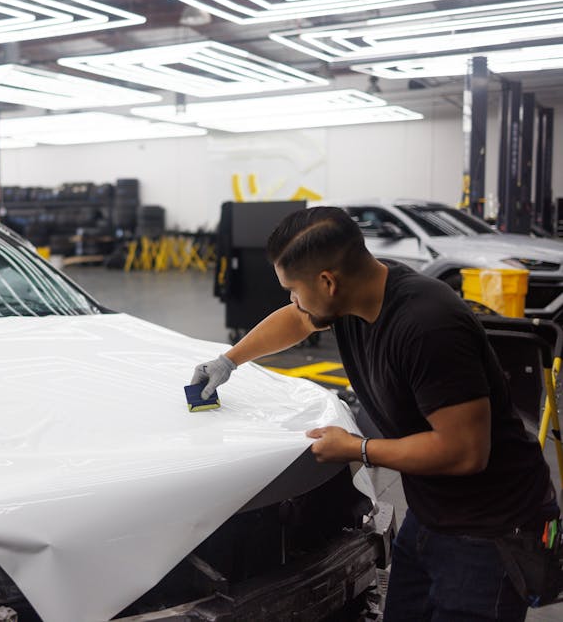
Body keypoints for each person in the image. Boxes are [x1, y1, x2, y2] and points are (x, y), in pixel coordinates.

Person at [191, 206, 557, 621]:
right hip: (431, 510)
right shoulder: (358, 292)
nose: (292, 300)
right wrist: (229, 361)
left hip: (490, 527)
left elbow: (464, 452)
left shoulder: (427, 327)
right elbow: (297, 319)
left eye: (294, 288)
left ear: (328, 281)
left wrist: (358, 448)